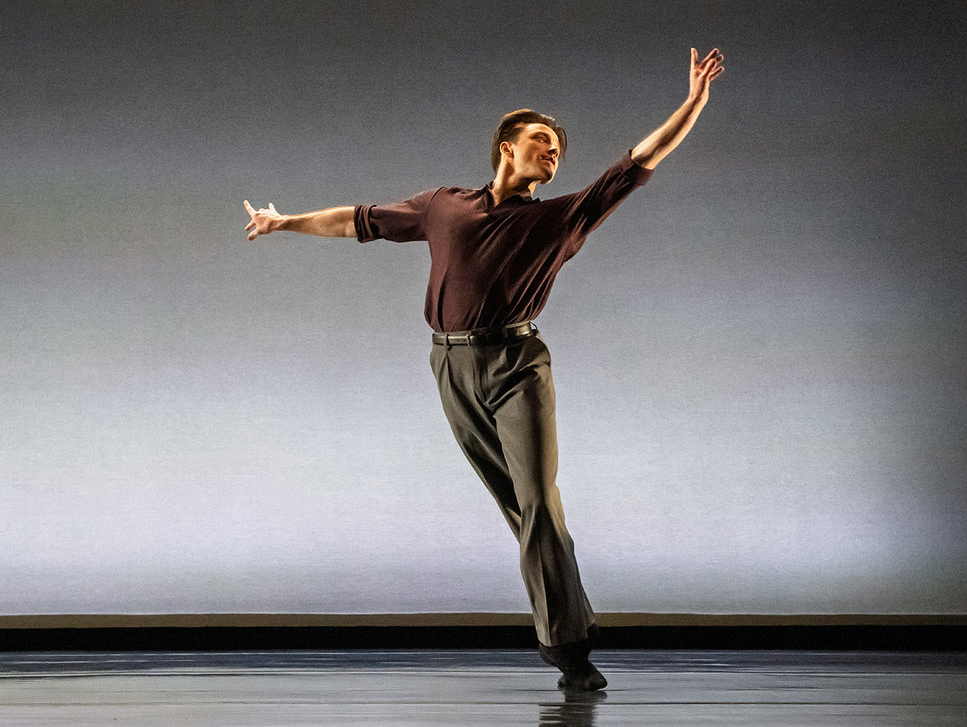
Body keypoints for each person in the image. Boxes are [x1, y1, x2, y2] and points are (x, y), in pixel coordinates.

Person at [244, 47, 724, 690]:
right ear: (507, 147)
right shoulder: (445, 205)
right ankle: (572, 622)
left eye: (558, 149)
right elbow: (359, 221)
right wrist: (283, 223)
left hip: (518, 367)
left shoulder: (559, 217)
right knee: (518, 509)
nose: (553, 153)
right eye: (541, 141)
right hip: (450, 365)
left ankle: (569, 650)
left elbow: (636, 163)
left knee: (539, 502)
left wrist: (692, 105)